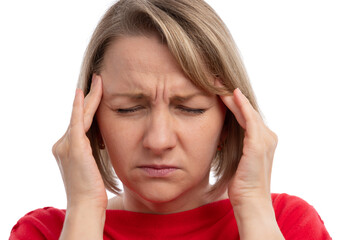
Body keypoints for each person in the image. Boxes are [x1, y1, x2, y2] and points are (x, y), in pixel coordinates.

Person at [10, 0, 331, 239]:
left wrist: (254, 208)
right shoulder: (45, 233)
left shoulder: (287, 224)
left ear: (230, 121)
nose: (159, 140)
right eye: (128, 109)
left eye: (190, 108)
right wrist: (82, 211)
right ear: (92, 124)